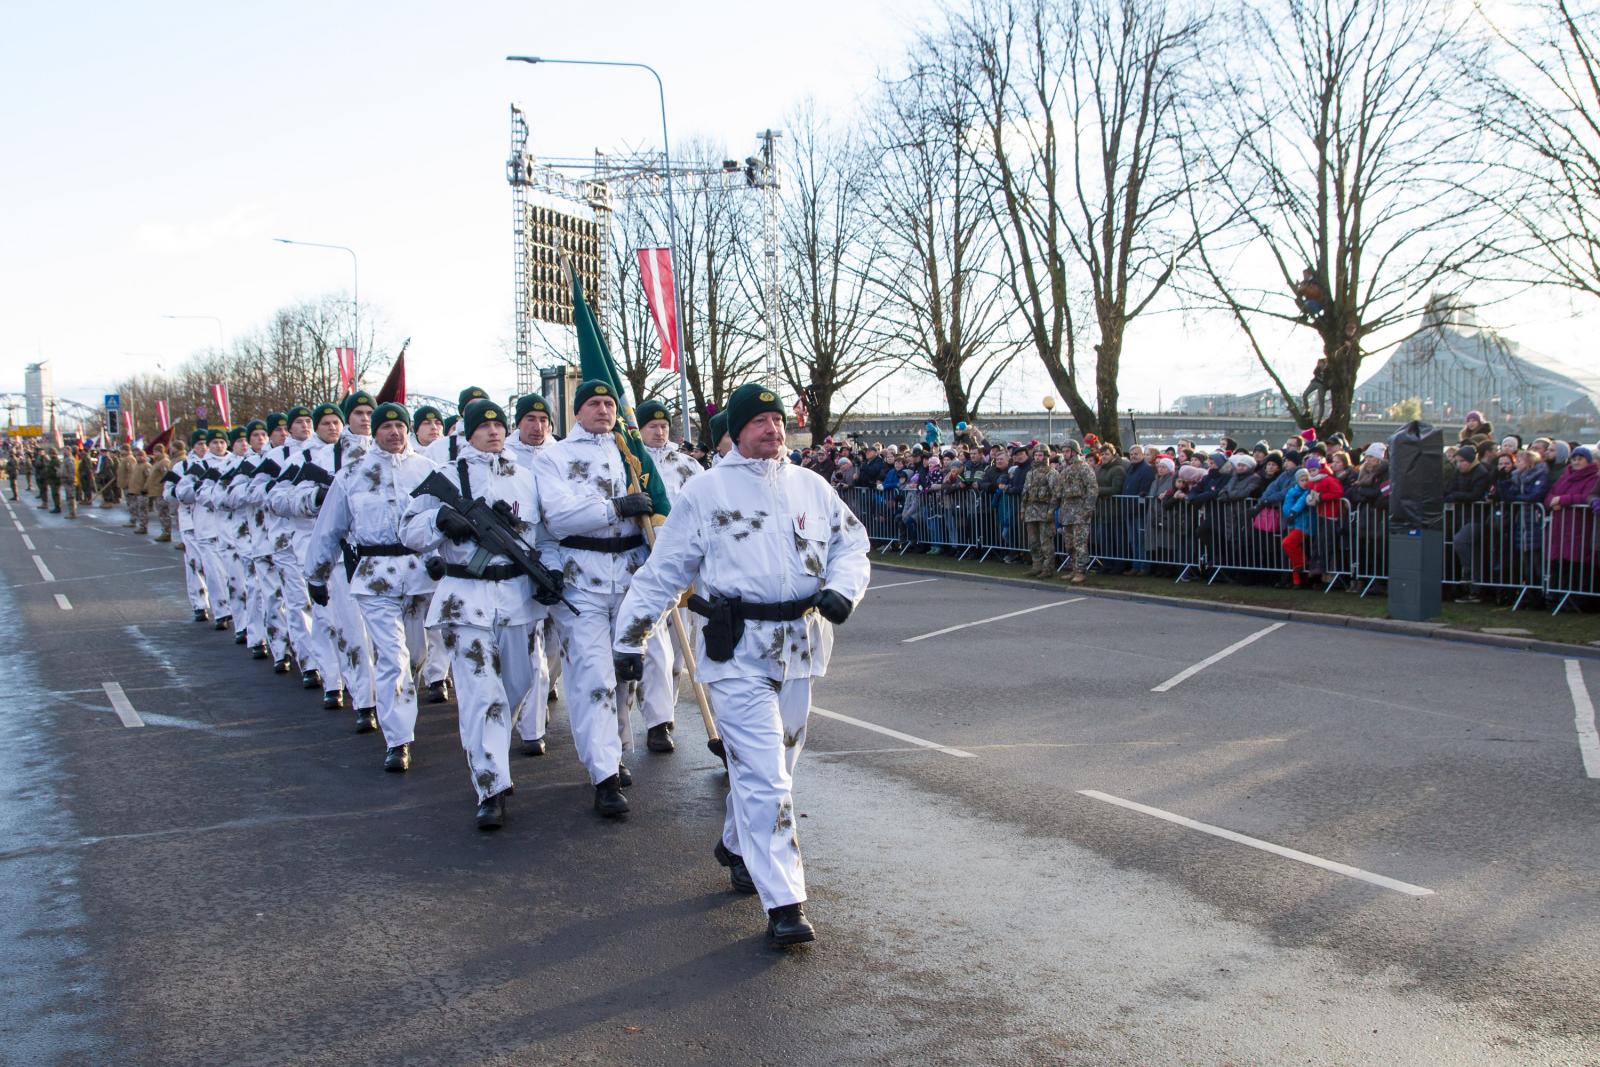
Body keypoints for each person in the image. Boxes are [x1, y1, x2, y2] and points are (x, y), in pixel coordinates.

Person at [612, 382, 871, 948]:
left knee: (777, 765)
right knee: (766, 775)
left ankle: (735, 843)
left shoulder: (812, 485)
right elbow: (663, 573)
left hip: (801, 645)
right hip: (736, 650)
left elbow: (853, 545)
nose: (773, 430)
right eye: (759, 421)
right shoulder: (706, 492)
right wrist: (630, 639)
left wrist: (841, 591)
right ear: (736, 428)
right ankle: (784, 901)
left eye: (778, 420)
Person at [401, 398, 607, 828]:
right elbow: (407, 530)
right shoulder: (445, 476)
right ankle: (491, 785)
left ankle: (487, 748)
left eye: (498, 426)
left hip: (516, 598)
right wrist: (441, 520)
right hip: (465, 597)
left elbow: (546, 538)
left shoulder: (526, 478)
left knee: (518, 683)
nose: (493, 432)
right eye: (483, 426)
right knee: (482, 695)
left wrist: (549, 573)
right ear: (469, 432)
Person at [530, 380, 666, 818]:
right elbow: (560, 515)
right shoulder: (554, 457)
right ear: (577, 411)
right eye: (594, 403)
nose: (604, 410)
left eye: (610, 403)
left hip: (628, 577)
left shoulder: (630, 453)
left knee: (623, 675)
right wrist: (615, 508)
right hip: (580, 580)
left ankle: (614, 752)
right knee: (592, 677)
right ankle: (603, 775)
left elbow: (656, 511)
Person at [307, 402, 438, 766]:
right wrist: (315, 574)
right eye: (386, 426)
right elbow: (330, 527)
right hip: (374, 576)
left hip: (418, 575)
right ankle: (398, 740)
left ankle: (401, 702)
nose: (394, 432)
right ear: (374, 432)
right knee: (391, 656)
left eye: (400, 426)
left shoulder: (427, 471)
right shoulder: (352, 474)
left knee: (415, 654)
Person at [633, 397, 703, 754]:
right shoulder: (631, 463)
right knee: (656, 649)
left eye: (663, 426)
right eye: (652, 426)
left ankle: (667, 711)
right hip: (647, 567)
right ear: (640, 428)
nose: (659, 432)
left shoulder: (689, 466)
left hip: (685, 569)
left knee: (678, 653)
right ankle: (657, 721)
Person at [1444, 443, 1493, 602]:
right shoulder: (1458, 473)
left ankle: (1470, 578)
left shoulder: (1481, 473)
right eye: (1457, 461)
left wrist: (1455, 496)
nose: (1458, 464)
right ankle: (1468, 585)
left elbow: (1475, 494)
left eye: (1461, 461)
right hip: (1462, 516)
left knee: (1461, 541)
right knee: (1465, 547)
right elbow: (1451, 489)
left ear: (1471, 460)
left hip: (1477, 518)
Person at [1056, 440, 1097, 582]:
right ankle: (1073, 568)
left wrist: (1088, 509)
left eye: (1067, 451)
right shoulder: (1065, 469)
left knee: (1080, 543)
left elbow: (1092, 489)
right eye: (1064, 451)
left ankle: (1081, 571)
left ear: (1074, 451)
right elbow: (1060, 492)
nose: (1065, 454)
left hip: (1080, 511)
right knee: (1069, 544)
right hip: (1067, 511)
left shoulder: (1084, 468)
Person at [1021, 444, 1062, 578]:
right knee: (1033, 542)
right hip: (1031, 511)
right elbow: (1025, 493)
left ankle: (1048, 568)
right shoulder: (1030, 473)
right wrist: (1022, 510)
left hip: (1044, 511)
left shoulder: (1052, 473)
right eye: (1036, 455)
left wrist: (1051, 511)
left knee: (1046, 542)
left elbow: (1056, 494)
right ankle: (1036, 565)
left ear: (1046, 456)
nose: (1038, 458)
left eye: (1040, 455)